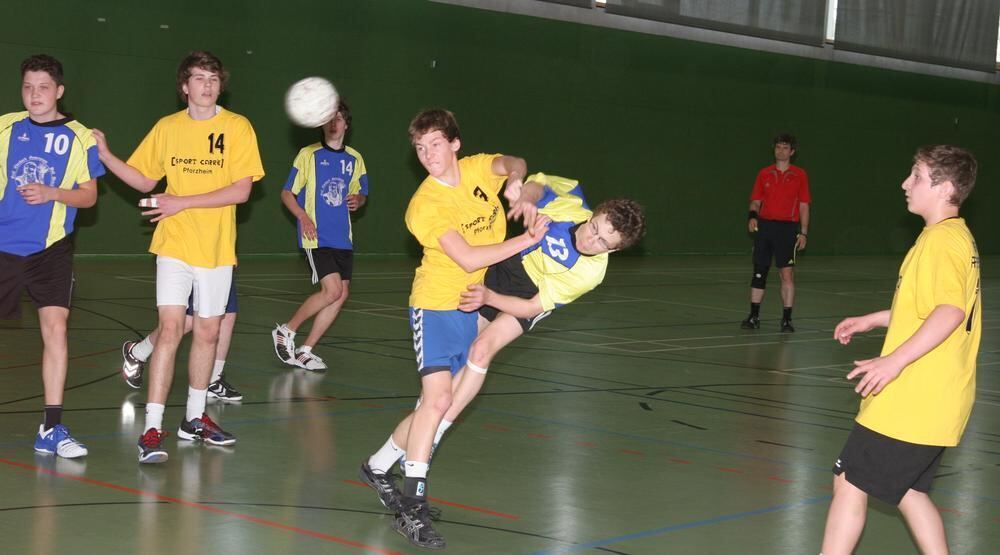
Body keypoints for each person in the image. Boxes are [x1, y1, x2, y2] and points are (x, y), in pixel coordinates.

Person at [364, 173, 646, 490]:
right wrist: (526, 195)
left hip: (526, 297)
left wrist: (490, 299)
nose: (591, 240)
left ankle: (437, 429)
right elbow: (539, 183)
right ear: (595, 214)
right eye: (595, 228)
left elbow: (530, 309)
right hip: (502, 265)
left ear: (616, 249)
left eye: (603, 243)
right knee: (448, 376)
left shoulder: (590, 272)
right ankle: (382, 461)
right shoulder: (571, 203)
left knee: (482, 350)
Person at [359, 109, 548, 549]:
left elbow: (513, 162)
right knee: (438, 400)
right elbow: (467, 258)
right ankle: (413, 506)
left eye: (436, 144)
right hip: (436, 306)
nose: (428, 155)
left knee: (442, 408)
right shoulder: (424, 204)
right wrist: (527, 239)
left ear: (455, 144)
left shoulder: (478, 168)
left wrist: (518, 181)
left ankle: (377, 465)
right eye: (420, 149)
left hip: (476, 305)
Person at [92, 51, 264, 464]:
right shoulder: (167, 128)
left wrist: (180, 202)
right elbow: (145, 179)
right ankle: (152, 427)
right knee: (170, 331)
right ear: (184, 86)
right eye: (199, 78)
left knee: (206, 334)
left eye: (213, 78)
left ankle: (194, 419)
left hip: (217, 249)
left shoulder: (237, 127)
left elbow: (241, 191)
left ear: (220, 86)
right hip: (172, 246)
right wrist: (107, 156)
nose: (207, 84)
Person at [820, 145, 981, 555]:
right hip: (939, 402)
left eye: (916, 175)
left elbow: (948, 311)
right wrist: (873, 320)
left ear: (944, 187)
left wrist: (894, 360)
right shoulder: (953, 237)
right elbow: (925, 309)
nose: (905, 183)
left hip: (912, 400)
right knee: (907, 491)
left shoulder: (941, 243)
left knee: (849, 481)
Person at [0, 54, 104, 459]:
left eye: (42, 87)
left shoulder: (78, 137)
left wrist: (52, 193)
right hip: (3, 245)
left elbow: (90, 196)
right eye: (27, 86)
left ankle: (51, 426)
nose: (34, 94)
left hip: (51, 249)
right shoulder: (6, 127)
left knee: (56, 328)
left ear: (59, 91)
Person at [272, 100, 368, 371]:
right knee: (332, 290)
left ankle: (306, 350)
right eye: (329, 119)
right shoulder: (308, 154)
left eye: (338, 118)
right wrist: (303, 217)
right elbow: (286, 193)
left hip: (342, 237)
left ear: (346, 124)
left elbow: (361, 193)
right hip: (316, 236)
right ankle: (286, 331)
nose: (334, 123)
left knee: (341, 294)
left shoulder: (355, 159)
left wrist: (358, 200)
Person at [120, 273, 242, 401]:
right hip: (194, 259)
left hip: (220, 259)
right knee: (187, 321)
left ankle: (213, 379)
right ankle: (137, 352)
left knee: (227, 315)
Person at [742, 133, 810, 332]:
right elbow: (755, 200)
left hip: (787, 229)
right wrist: (752, 217)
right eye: (778, 147)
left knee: (787, 274)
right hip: (765, 227)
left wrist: (803, 233)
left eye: (785, 147)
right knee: (759, 272)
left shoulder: (800, 175)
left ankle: (787, 319)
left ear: (792, 151)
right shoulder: (764, 174)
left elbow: (804, 205)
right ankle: (753, 316)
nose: (780, 150)